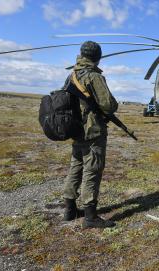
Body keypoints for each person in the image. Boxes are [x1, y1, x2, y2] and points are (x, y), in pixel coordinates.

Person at [63, 41, 118, 228]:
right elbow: (109, 105)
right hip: (92, 131)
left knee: (76, 166)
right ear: (97, 57)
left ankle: (69, 209)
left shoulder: (72, 75)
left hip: (76, 129)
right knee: (92, 170)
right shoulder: (94, 76)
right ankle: (90, 215)